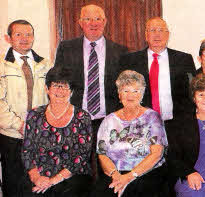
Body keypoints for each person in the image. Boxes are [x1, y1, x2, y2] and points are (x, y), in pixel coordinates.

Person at [95, 70, 168, 197]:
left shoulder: (152, 117)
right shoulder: (109, 120)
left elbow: (157, 154)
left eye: (135, 91)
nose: (130, 95)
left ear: (142, 95)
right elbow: (102, 154)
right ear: (119, 94)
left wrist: (129, 176)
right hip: (115, 174)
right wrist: (116, 175)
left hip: (146, 173)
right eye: (126, 91)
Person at [22, 67, 93, 196]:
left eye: (65, 86)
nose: (60, 90)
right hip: (40, 177)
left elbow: (81, 156)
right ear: (47, 89)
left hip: (71, 178)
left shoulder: (83, 117)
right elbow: (27, 151)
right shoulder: (34, 115)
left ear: (71, 92)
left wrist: (53, 181)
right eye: (55, 85)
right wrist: (36, 178)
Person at [54, 4, 128, 129]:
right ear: (80, 22)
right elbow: (57, 83)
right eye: (88, 19)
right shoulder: (66, 48)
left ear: (104, 22)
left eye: (98, 19)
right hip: (74, 120)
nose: (93, 23)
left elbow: (126, 88)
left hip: (110, 122)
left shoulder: (121, 52)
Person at [0, 19, 52, 196]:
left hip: (40, 135)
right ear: (8, 38)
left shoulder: (46, 64)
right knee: (14, 183)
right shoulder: (1, 65)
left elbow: (53, 97)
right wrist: (19, 125)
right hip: (12, 135)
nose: (24, 38)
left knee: (38, 184)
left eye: (28, 34)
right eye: (18, 34)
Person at [118, 17, 196, 123]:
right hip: (142, 124)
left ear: (168, 35)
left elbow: (192, 93)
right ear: (146, 35)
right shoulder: (130, 61)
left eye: (161, 30)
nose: (157, 34)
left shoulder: (184, 59)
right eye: (152, 30)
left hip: (177, 125)